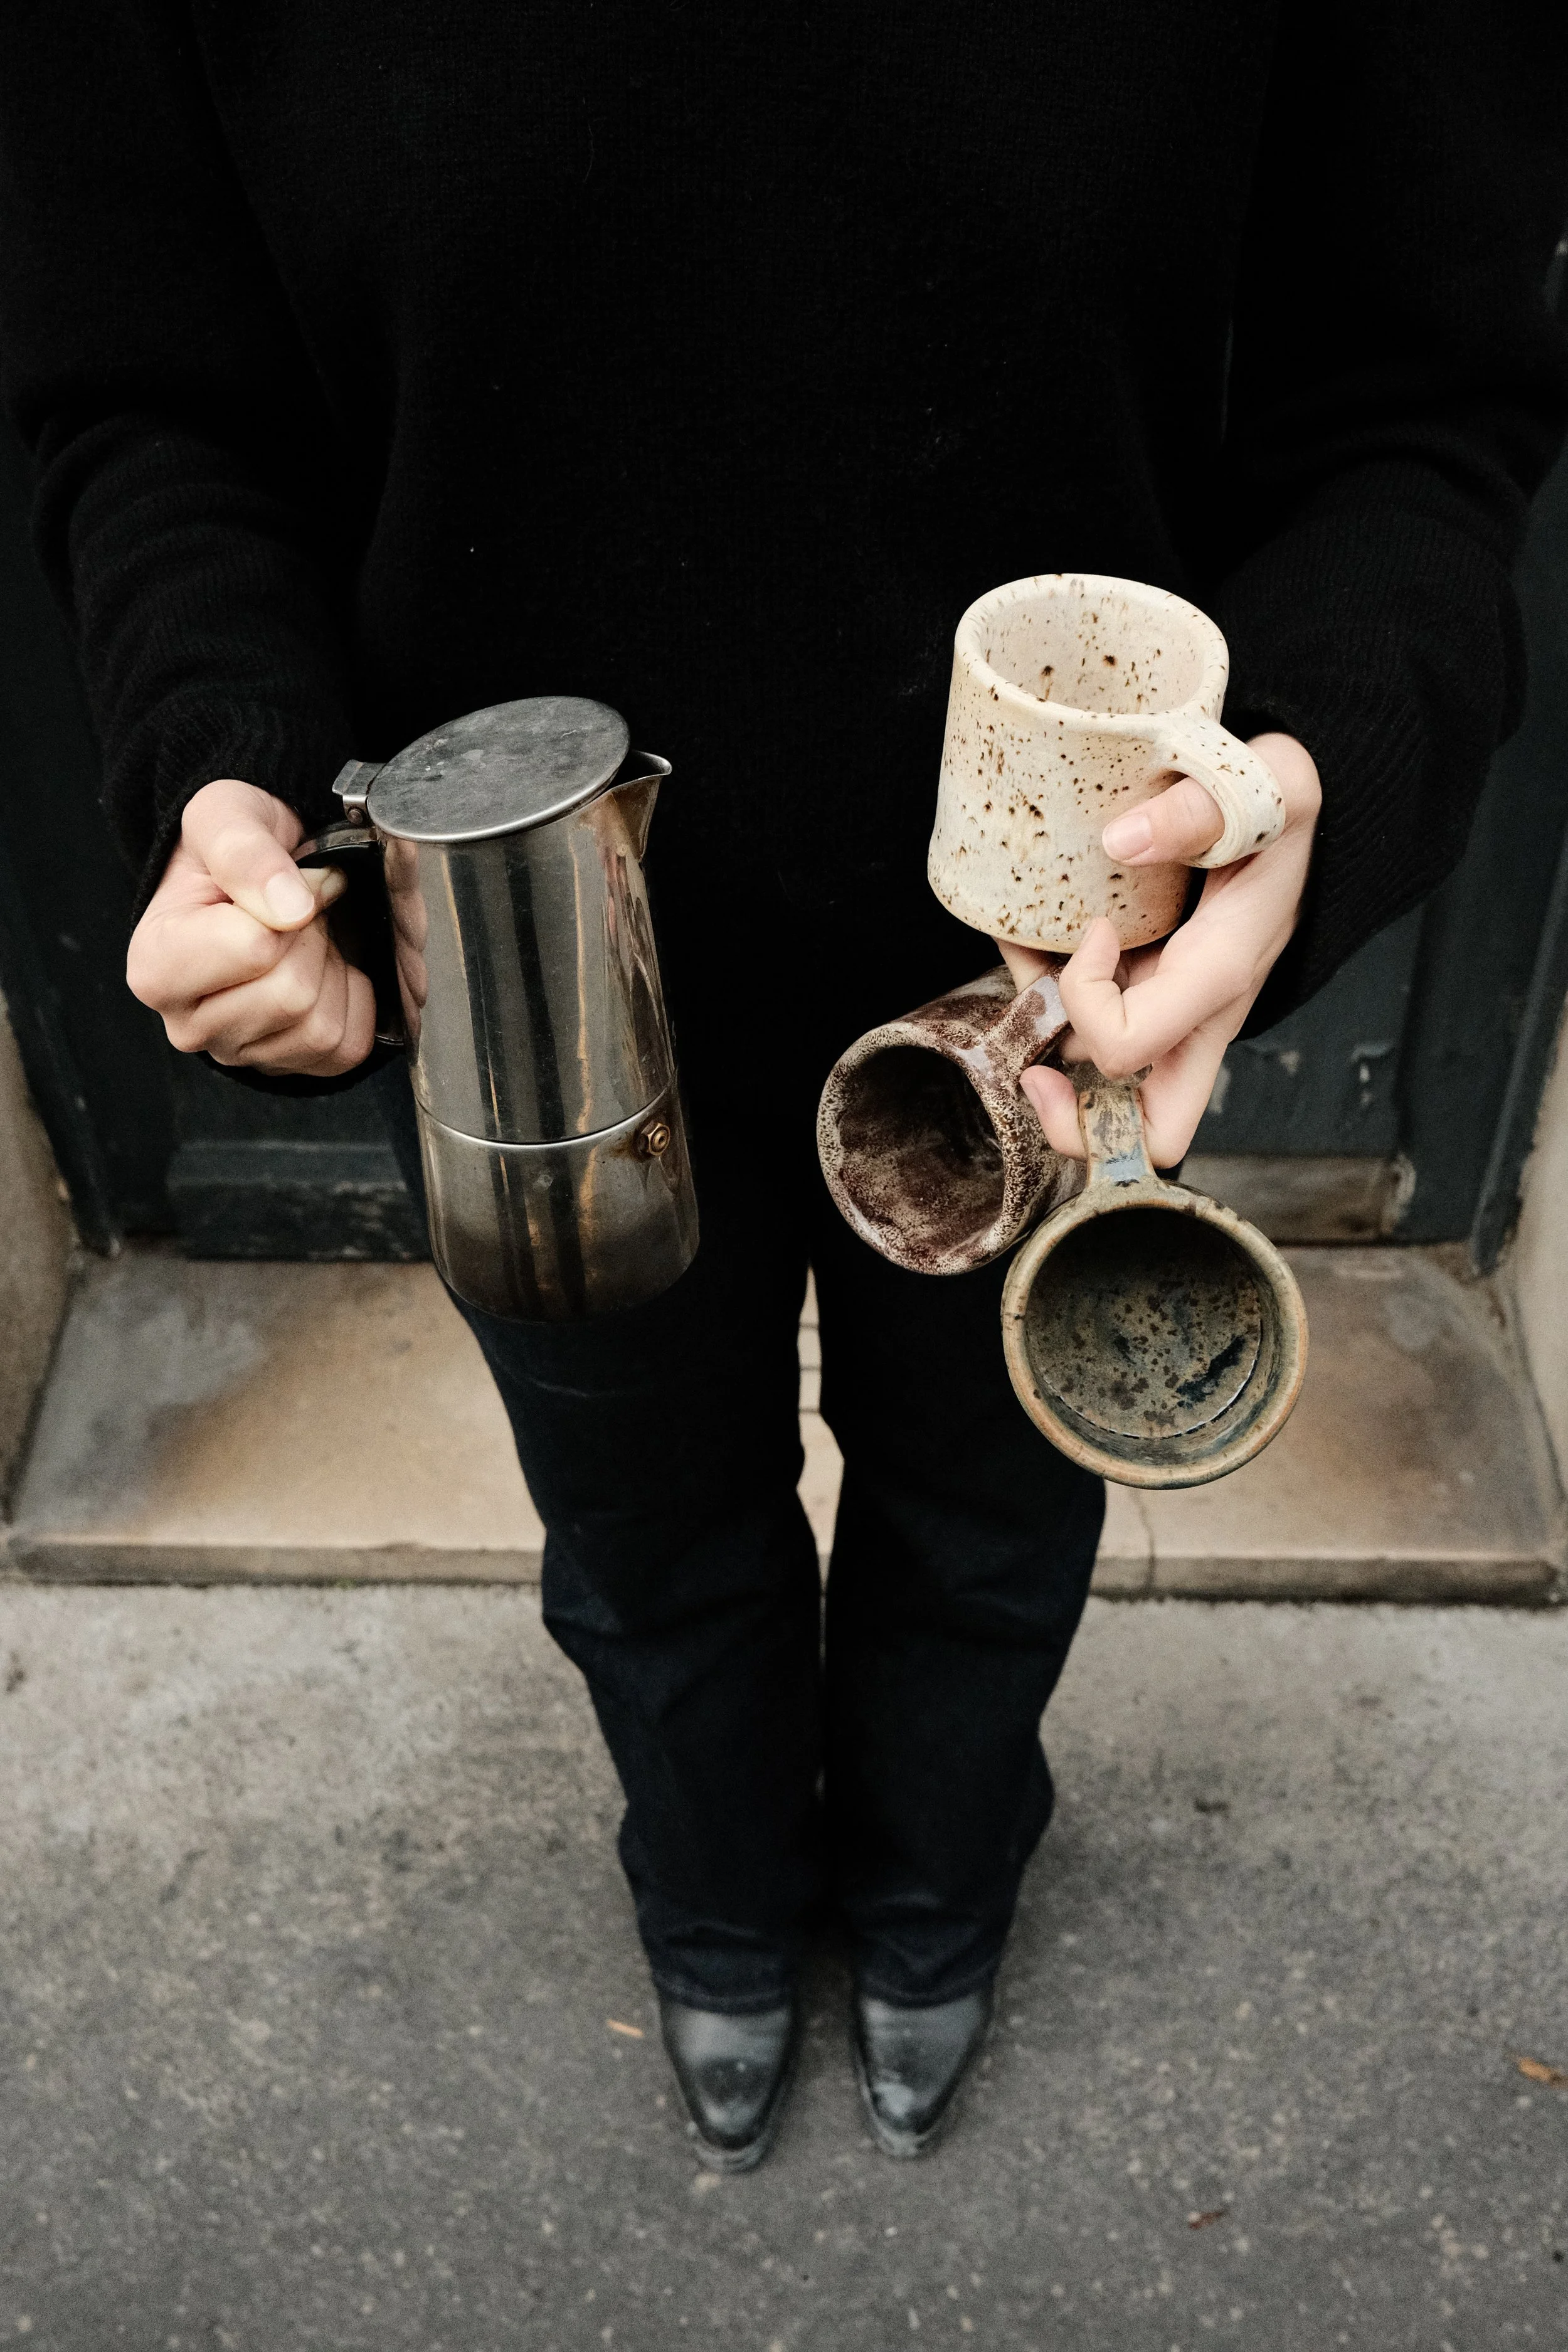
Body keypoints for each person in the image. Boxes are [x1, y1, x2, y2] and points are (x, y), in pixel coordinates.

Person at [2, 3, 1564, 2172]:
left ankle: (935, 1888)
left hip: (1041, 966)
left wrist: (1307, 754)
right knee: (641, 1534)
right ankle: (717, 1898)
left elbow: (1412, 396)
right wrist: (225, 767)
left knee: (998, 1521)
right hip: (525, 972)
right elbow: (157, 399)